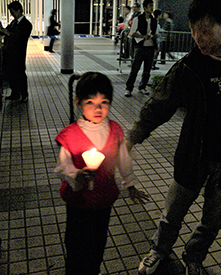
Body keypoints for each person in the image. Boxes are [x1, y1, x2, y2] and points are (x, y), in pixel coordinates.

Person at [126, 0, 221, 275]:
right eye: (194, 32)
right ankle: (159, 250)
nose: (198, 39)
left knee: (213, 219)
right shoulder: (189, 67)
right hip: (194, 155)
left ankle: (194, 258)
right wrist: (133, 136)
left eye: (205, 31)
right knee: (172, 213)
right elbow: (160, 104)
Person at [54, 72, 149, 275]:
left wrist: (130, 183)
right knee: (77, 241)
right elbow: (63, 165)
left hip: (104, 197)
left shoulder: (114, 130)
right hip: (78, 199)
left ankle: (93, 269)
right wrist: (77, 174)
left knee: (98, 239)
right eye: (91, 102)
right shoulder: (71, 134)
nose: (98, 109)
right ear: (78, 102)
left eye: (104, 102)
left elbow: (122, 158)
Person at [0, 1, 32, 102]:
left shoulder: (26, 24)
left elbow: (20, 38)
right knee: (11, 73)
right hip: (9, 53)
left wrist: (8, 33)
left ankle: (24, 94)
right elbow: (6, 31)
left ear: (18, 10)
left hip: (19, 54)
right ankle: (15, 93)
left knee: (20, 74)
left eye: (12, 11)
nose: (11, 14)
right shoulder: (14, 22)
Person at [124, 0, 157, 97]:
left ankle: (142, 87)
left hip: (150, 47)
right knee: (135, 68)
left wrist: (154, 36)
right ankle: (129, 88)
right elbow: (132, 33)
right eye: (150, 6)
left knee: (147, 70)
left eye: (152, 6)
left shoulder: (154, 20)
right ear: (145, 7)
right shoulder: (138, 19)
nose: (152, 8)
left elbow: (156, 33)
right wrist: (143, 37)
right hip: (140, 47)